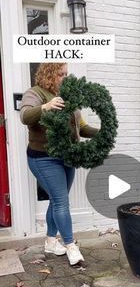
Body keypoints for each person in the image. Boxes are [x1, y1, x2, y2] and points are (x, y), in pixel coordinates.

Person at [20, 63, 99, 265]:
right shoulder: (35, 93)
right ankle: (71, 245)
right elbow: (25, 116)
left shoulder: (68, 96)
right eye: (60, 74)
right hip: (43, 158)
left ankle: (50, 241)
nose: (65, 77)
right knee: (61, 201)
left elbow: (81, 127)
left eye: (66, 73)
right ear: (49, 74)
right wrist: (45, 106)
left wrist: (102, 132)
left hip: (67, 156)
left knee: (57, 200)